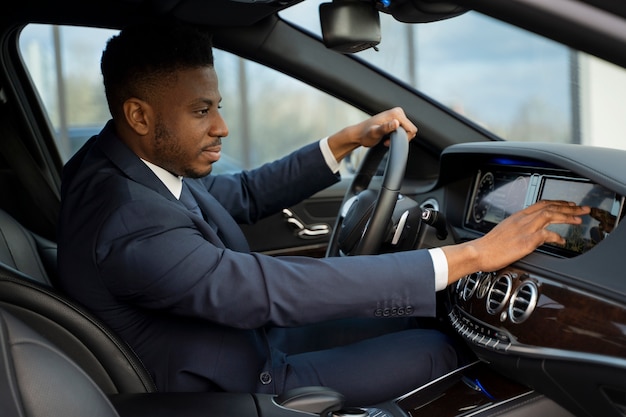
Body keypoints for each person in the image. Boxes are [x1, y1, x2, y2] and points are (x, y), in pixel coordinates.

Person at [56, 21, 590, 406]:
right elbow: (264, 290)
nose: (221, 126)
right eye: (202, 111)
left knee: (419, 312)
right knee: (438, 350)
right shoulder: (128, 219)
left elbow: (237, 194)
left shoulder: (124, 163)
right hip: (240, 386)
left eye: (217, 105)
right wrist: (474, 253)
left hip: (240, 341)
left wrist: (344, 141)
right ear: (139, 114)